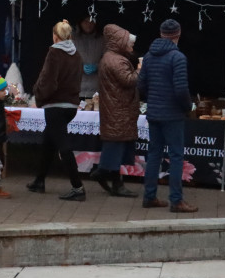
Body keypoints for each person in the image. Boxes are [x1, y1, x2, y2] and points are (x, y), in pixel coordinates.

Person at [137, 19, 197, 213]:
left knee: (154, 154)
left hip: (154, 112)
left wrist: (153, 99)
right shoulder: (177, 57)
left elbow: (141, 85)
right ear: (177, 35)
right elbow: (181, 89)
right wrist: (187, 107)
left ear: (161, 34)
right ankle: (176, 201)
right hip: (172, 114)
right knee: (176, 156)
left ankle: (149, 197)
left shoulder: (148, 56)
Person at [27, 20, 85, 200]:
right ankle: (39, 181)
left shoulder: (54, 52)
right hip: (71, 105)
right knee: (49, 141)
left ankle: (78, 187)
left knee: (63, 146)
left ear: (55, 36)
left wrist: (38, 94)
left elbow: (48, 80)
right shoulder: (77, 55)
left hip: (55, 105)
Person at [94, 24, 141, 198]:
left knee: (116, 145)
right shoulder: (116, 60)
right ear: (120, 42)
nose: (132, 46)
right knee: (116, 146)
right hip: (118, 110)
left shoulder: (110, 58)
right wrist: (140, 69)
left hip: (115, 109)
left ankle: (113, 181)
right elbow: (129, 80)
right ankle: (104, 174)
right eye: (129, 43)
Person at [72, 18, 104, 99]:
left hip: (96, 89)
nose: (89, 24)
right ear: (80, 23)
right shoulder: (72, 39)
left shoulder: (102, 40)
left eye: (92, 21)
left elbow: (108, 60)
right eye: (85, 21)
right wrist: (80, 67)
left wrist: (97, 66)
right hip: (76, 89)